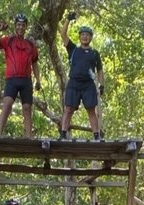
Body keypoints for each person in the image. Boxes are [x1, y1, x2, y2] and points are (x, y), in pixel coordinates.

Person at [0, 14, 41, 137]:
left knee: (27, 108)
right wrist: (0, 29)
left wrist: (38, 80)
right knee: (7, 104)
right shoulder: (9, 40)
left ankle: (29, 137)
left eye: (23, 25)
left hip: (26, 80)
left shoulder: (30, 45)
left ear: (26, 27)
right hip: (12, 79)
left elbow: (35, 63)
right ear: (15, 26)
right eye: (18, 25)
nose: (20, 27)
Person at [59, 12, 104, 141]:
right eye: (83, 34)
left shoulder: (94, 53)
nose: (85, 37)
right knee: (68, 109)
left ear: (91, 38)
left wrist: (102, 85)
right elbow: (63, 34)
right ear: (79, 37)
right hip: (74, 83)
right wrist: (68, 20)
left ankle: (96, 136)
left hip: (88, 84)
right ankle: (63, 134)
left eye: (87, 35)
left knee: (91, 109)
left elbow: (100, 70)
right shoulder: (73, 49)